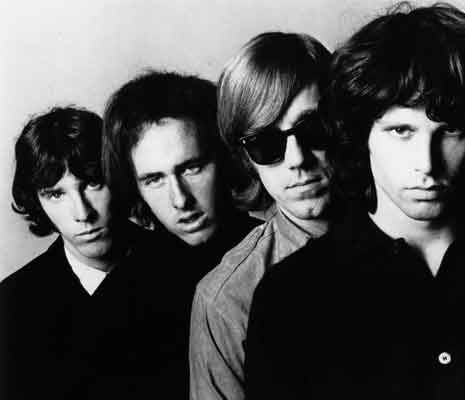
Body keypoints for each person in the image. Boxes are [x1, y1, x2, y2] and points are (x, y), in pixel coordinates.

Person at [243, 3, 465, 399]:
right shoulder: (290, 298)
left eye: (450, 130)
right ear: (360, 135)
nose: (426, 163)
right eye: (401, 131)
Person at [189, 32, 333, 400]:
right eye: (266, 144)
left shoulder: (420, 236)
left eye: (313, 129)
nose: (297, 159)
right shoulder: (226, 299)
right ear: (245, 158)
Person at [102, 71, 259, 399]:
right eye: (154, 179)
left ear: (224, 158)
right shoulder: (119, 302)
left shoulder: (276, 254)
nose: (180, 199)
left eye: (191, 167)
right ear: (135, 187)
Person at [0, 107, 152, 399]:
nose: (82, 213)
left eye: (93, 183)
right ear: (37, 201)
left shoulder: (182, 266)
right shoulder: (13, 304)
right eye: (56, 194)